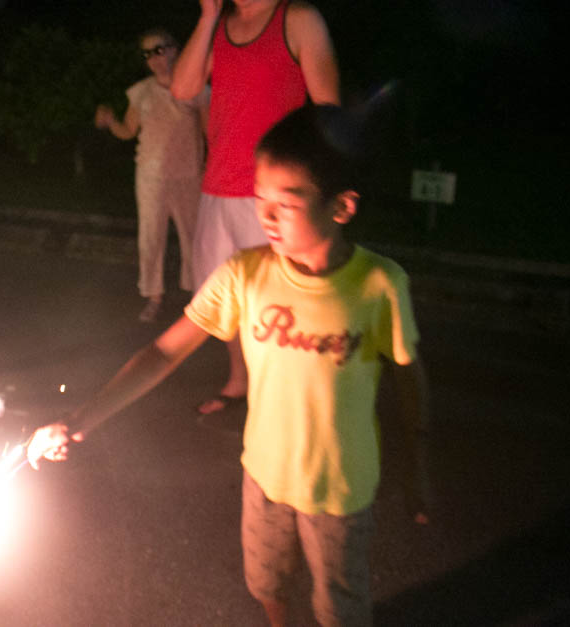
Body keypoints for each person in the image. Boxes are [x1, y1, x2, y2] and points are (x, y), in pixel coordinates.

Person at [27, 105, 429, 627]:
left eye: (285, 203)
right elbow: (164, 352)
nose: (265, 217)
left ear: (342, 207)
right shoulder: (245, 274)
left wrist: (417, 463)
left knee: (341, 605)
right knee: (268, 585)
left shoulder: (378, 284)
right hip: (261, 476)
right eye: (259, 198)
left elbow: (407, 376)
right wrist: (83, 418)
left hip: (340, 489)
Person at [170, 0, 341, 415]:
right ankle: (239, 381)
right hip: (218, 186)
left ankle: (286, 394)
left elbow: (327, 107)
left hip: (273, 192)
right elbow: (182, 88)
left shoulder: (297, 19)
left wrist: (315, 184)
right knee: (226, 296)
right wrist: (207, 16)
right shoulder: (222, 26)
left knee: (281, 298)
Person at [94, 28, 210, 323]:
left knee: (193, 239)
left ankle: (198, 299)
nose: (155, 58)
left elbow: (212, 133)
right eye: (148, 53)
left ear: (175, 49)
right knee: (151, 239)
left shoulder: (197, 88)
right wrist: (110, 122)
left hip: (188, 176)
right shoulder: (141, 91)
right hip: (150, 177)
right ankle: (153, 297)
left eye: (160, 49)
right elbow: (128, 131)